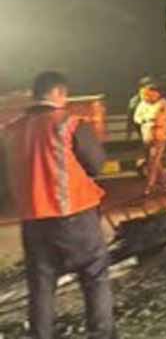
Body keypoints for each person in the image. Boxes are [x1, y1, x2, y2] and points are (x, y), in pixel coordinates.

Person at [1, 71, 114, 339]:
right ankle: (101, 333)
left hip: (34, 220)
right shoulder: (70, 124)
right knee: (94, 275)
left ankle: (41, 334)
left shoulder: (11, 131)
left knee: (41, 284)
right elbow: (96, 165)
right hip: (76, 216)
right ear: (59, 93)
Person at [133, 80, 166, 195]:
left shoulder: (162, 103)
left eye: (147, 94)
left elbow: (155, 117)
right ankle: (165, 184)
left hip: (159, 137)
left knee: (152, 162)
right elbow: (136, 118)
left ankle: (149, 186)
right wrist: (145, 119)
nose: (145, 97)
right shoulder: (142, 104)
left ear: (156, 93)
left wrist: (146, 119)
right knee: (155, 161)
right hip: (146, 136)